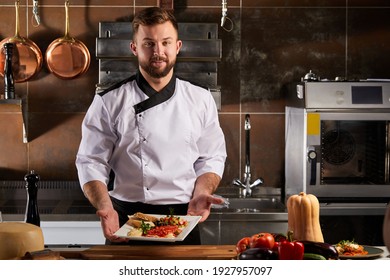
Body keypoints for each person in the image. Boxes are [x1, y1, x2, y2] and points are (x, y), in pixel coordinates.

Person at [75, 7, 227, 245]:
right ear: (134, 48)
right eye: (149, 43)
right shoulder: (108, 101)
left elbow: (211, 157)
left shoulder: (201, 99)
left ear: (177, 46)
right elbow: (90, 161)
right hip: (127, 222)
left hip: (185, 218)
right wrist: (105, 206)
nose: (158, 51)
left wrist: (202, 192)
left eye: (166, 42)